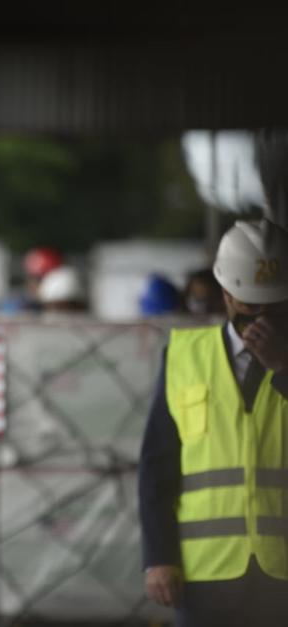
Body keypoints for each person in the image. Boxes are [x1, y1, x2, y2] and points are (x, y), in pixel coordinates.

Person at [138, 218, 288, 626]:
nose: (264, 317)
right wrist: (159, 558)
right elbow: (157, 467)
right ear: (227, 295)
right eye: (252, 305)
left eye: (276, 306)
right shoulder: (184, 355)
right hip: (204, 574)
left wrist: (282, 369)